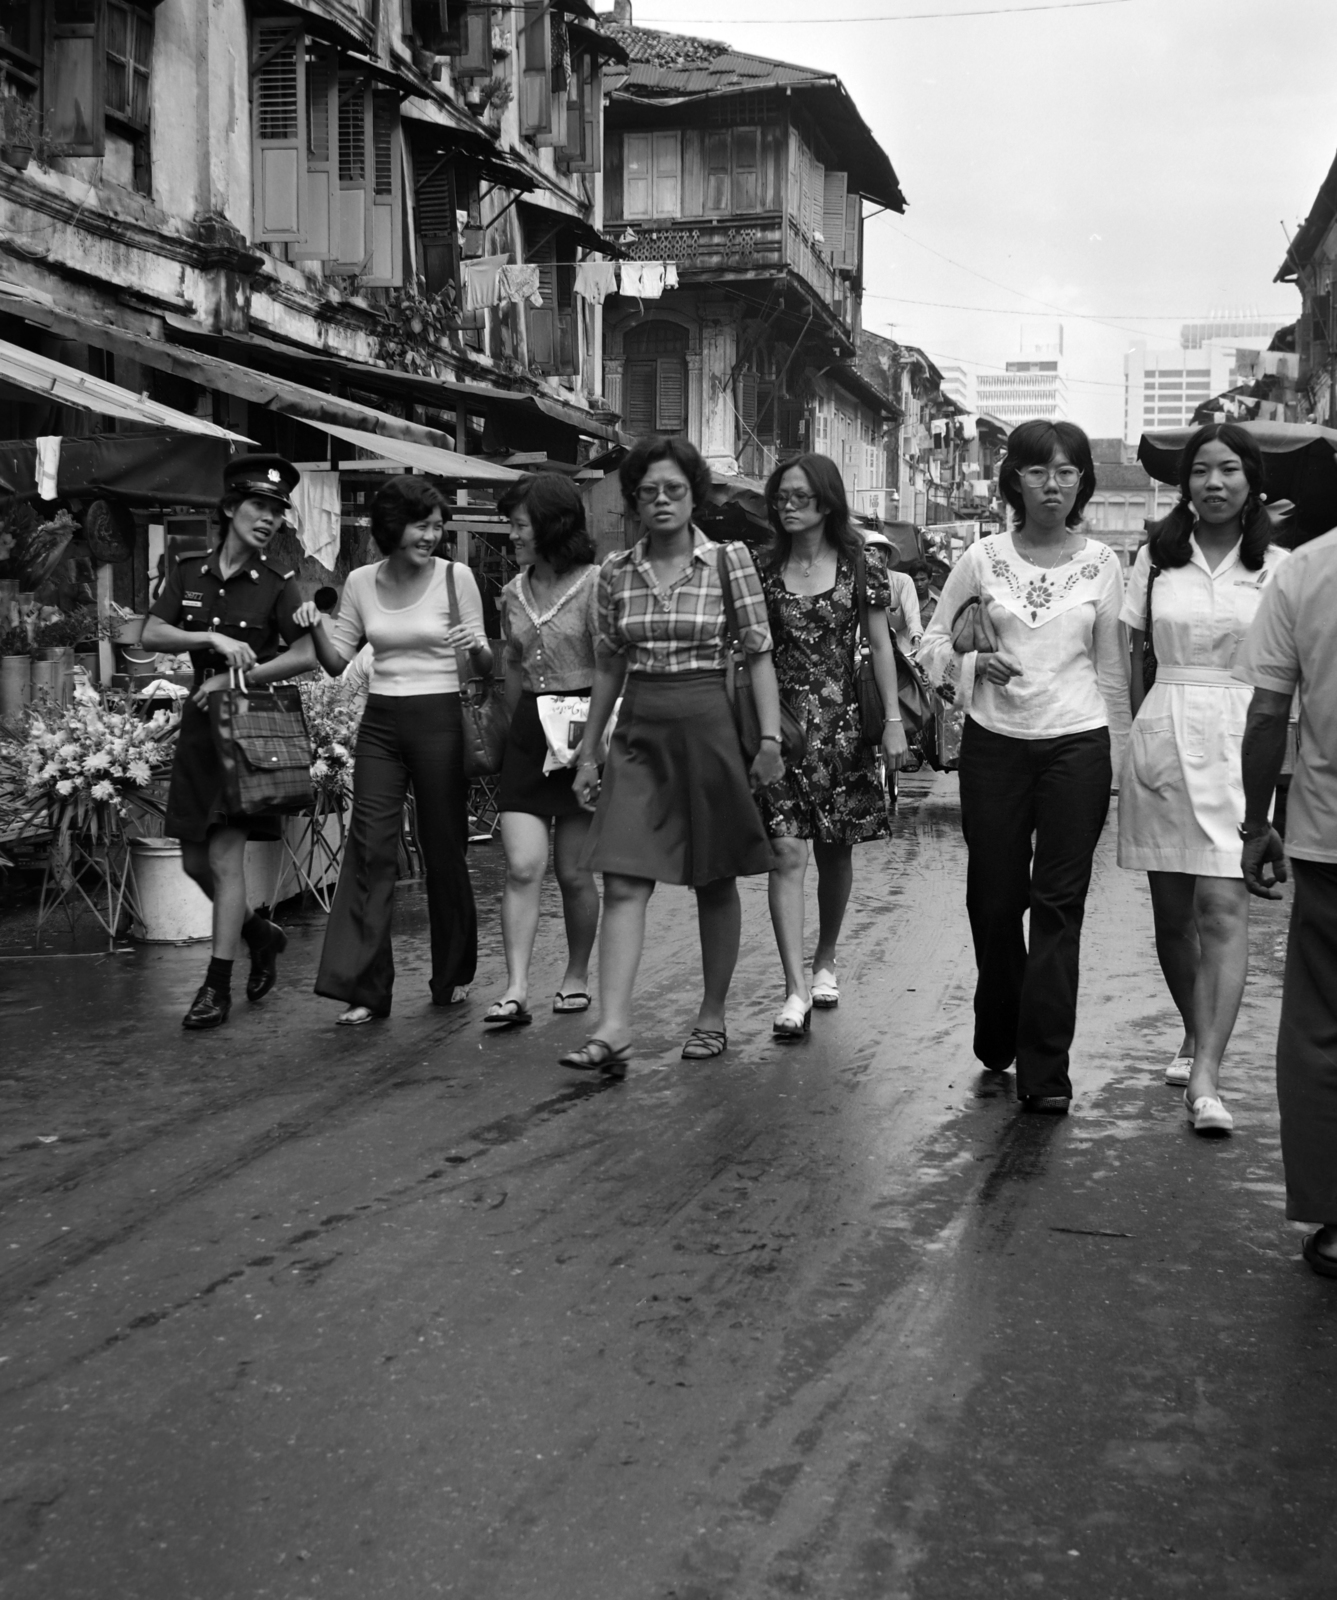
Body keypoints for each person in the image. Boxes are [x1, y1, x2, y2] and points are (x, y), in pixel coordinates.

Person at [919, 420, 1130, 1114]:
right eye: (1039, 471)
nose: (1053, 484)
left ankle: (1047, 1071)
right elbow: (928, 644)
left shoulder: (1102, 563)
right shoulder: (981, 558)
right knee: (993, 896)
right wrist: (976, 662)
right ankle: (998, 1015)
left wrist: (1118, 765)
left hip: (1076, 743)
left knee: (1058, 905)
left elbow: (1110, 671)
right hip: (995, 745)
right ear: (1015, 479)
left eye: (1067, 471)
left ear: (1080, 482)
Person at [559, 435, 783, 1076]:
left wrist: (768, 740)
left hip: (710, 726)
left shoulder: (728, 563)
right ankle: (613, 1027)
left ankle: (711, 1016)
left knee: (714, 877)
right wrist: (588, 755)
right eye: (648, 491)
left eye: (674, 490)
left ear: (694, 498)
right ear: (633, 500)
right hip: (639, 733)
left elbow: (759, 652)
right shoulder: (613, 574)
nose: (661, 501)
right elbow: (608, 665)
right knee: (624, 877)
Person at [1117, 424, 1288, 1134]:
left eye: (1227, 471)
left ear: (1250, 481)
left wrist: (1279, 776)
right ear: (1183, 485)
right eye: (1199, 473)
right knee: (1171, 917)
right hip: (1164, 732)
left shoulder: (1278, 567)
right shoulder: (1155, 561)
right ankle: (1193, 1030)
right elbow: (1130, 658)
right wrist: (1131, 739)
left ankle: (1208, 1075)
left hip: (1241, 737)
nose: (1212, 484)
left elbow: (1288, 679)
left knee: (1222, 908)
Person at [302, 475, 491, 1024]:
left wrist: (475, 649)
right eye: (420, 525)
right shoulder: (360, 580)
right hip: (381, 723)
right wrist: (314, 626)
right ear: (393, 527)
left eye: (437, 526)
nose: (431, 535)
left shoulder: (458, 578)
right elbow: (338, 662)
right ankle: (365, 988)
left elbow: (482, 667)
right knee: (371, 848)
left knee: (443, 848)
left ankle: (451, 974)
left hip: (439, 720)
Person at [141, 455, 317, 1030]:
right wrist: (210, 637)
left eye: (276, 512)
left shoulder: (277, 585)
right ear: (230, 510)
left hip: (246, 733)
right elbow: (152, 631)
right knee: (194, 860)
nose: (267, 519)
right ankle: (257, 933)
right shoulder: (188, 570)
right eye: (258, 507)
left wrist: (235, 675)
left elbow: (308, 654)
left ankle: (216, 986)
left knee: (223, 855)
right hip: (198, 732)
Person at [757, 455, 906, 1035]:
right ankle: (794, 988)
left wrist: (893, 719)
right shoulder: (763, 569)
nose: (787, 506)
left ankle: (825, 960)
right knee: (787, 852)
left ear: (826, 501)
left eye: (798, 496)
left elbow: (881, 645)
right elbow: (758, 653)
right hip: (783, 731)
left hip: (843, 732)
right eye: (781, 497)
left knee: (834, 852)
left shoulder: (861, 565)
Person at [1235, 524, 1337, 1277]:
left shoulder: (1305, 567)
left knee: (1319, 1024)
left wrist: (1254, 822)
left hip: (1327, 833)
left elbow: (1269, 713)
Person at [485, 473, 601, 1028]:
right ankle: (516, 987)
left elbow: (611, 668)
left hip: (584, 732)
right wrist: (511, 730)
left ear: (551, 525)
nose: (511, 535)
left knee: (575, 873)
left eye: (519, 524)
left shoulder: (597, 585)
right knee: (523, 866)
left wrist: (595, 748)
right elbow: (510, 667)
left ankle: (576, 975)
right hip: (530, 733)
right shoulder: (511, 592)